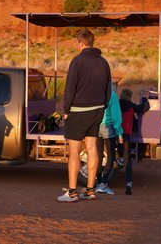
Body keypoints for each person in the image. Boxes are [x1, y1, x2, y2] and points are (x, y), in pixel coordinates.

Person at [57, 30, 111, 202]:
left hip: (78, 111)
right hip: (97, 110)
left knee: (73, 151)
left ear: (80, 43)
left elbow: (70, 88)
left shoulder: (77, 61)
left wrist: (66, 111)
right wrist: (103, 107)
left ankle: (72, 193)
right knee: (92, 148)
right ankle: (90, 190)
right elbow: (108, 89)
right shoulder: (103, 62)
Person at [118, 88, 149, 195]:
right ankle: (129, 183)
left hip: (115, 134)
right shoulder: (131, 106)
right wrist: (145, 99)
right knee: (128, 162)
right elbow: (143, 108)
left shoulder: (117, 104)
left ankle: (103, 183)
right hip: (126, 135)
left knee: (112, 158)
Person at [96, 87, 123, 195]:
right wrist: (119, 133)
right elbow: (116, 116)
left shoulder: (96, 92)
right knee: (110, 157)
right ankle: (103, 184)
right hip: (108, 127)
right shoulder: (112, 95)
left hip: (96, 127)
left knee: (98, 156)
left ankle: (98, 183)